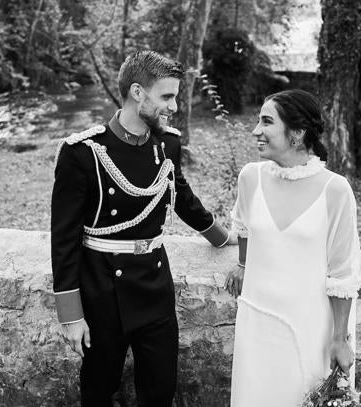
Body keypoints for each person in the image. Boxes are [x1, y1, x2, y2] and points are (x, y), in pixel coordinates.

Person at [51, 50, 235, 407]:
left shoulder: (167, 143)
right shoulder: (83, 152)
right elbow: (64, 239)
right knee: (99, 389)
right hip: (103, 290)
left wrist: (222, 236)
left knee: (160, 390)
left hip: (154, 285)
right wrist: (71, 316)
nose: (175, 106)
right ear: (138, 93)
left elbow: (180, 195)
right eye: (167, 96)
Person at [224, 89, 361, 406]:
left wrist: (339, 339)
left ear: (297, 134)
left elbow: (343, 274)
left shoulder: (335, 190)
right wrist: (244, 265)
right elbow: (244, 226)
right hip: (257, 319)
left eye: (266, 122)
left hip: (309, 324)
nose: (256, 130)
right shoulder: (250, 177)